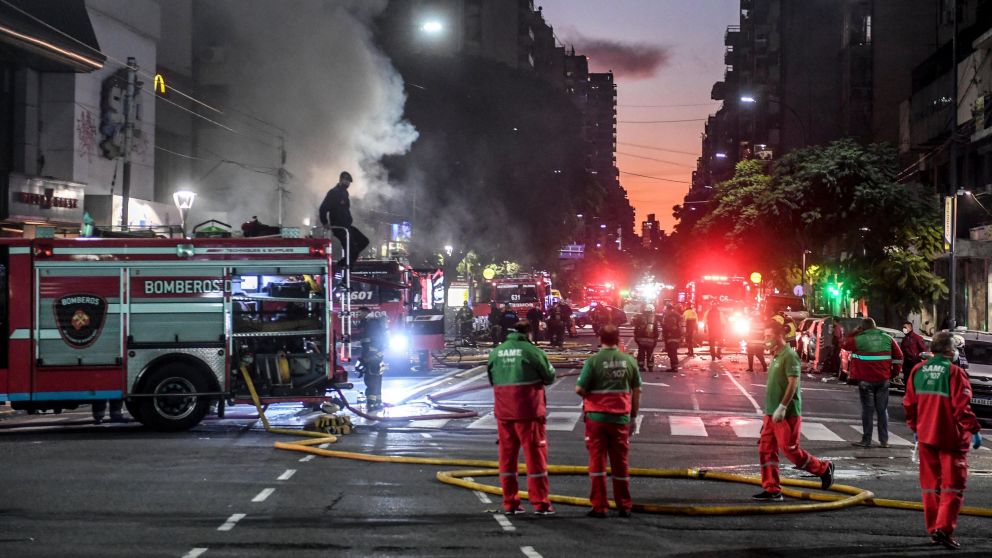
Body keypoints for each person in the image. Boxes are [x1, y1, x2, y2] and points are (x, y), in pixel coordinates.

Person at [903, 332, 983, 550]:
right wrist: (974, 429)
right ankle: (944, 529)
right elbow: (961, 408)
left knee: (930, 487)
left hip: (927, 437)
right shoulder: (954, 373)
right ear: (950, 351)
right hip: (951, 439)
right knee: (952, 487)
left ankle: (934, 530)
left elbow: (909, 404)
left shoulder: (918, 371)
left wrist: (915, 427)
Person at [753, 319, 834, 501]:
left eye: (768, 336)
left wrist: (782, 407)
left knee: (790, 450)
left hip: (786, 414)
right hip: (771, 414)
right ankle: (772, 489)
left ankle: (823, 468)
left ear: (779, 336)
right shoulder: (776, 355)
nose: (765, 339)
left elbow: (793, 383)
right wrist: (770, 412)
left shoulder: (790, 356)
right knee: (765, 450)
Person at [487, 320, 557, 515]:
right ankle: (541, 503)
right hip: (529, 412)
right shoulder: (532, 351)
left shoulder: (496, 352)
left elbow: (492, 379)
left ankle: (510, 503)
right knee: (535, 459)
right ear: (529, 333)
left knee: (507, 459)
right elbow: (550, 376)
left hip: (504, 412)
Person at [575, 324, 642, 518]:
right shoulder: (629, 361)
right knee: (620, 463)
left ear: (600, 339)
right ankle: (624, 505)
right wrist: (634, 416)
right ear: (619, 339)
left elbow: (580, 389)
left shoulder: (594, 361)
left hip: (596, 419)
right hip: (620, 419)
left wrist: (590, 397)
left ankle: (600, 506)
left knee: (597, 462)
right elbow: (637, 391)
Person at [842, 317, 904, 448]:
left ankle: (866, 440)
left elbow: (844, 344)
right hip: (883, 380)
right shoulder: (887, 338)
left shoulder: (858, 339)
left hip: (865, 381)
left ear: (862, 328)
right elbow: (899, 356)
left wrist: (853, 332)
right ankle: (884, 441)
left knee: (867, 410)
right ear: (875, 327)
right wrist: (893, 373)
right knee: (882, 410)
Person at [318, 171, 370, 268]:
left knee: (364, 241)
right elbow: (323, 209)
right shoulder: (333, 193)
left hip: (347, 227)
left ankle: (345, 261)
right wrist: (325, 223)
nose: (348, 184)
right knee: (352, 250)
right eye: (346, 181)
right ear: (341, 180)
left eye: (349, 182)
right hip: (339, 228)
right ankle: (345, 269)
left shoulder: (345, 193)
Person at [356, 306, 387, 410]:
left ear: (366, 313)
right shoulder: (370, 323)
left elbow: (372, 341)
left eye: (359, 313)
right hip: (375, 356)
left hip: (371, 356)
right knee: (376, 378)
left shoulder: (370, 324)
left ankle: (371, 403)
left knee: (371, 379)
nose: (357, 316)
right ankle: (377, 402)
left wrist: (369, 356)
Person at [632, 305, 660, 373]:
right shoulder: (654, 318)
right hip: (651, 340)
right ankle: (650, 367)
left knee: (641, 353)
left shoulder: (640, 317)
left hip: (641, 339)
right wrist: (656, 338)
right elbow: (656, 330)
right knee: (650, 353)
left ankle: (641, 366)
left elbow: (636, 328)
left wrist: (636, 336)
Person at [898, 321, 927, 387]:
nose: (903, 329)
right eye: (903, 327)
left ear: (910, 328)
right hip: (906, 364)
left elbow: (923, 350)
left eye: (905, 327)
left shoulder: (917, 338)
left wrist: (919, 359)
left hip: (915, 363)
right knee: (907, 383)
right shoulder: (904, 339)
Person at [660, 303, 683, 372]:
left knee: (671, 352)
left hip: (670, 336)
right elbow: (681, 326)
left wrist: (663, 326)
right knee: (674, 351)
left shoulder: (668, 316)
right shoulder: (678, 315)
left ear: (667, 309)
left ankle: (674, 367)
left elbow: (667, 327)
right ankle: (674, 366)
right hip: (677, 336)